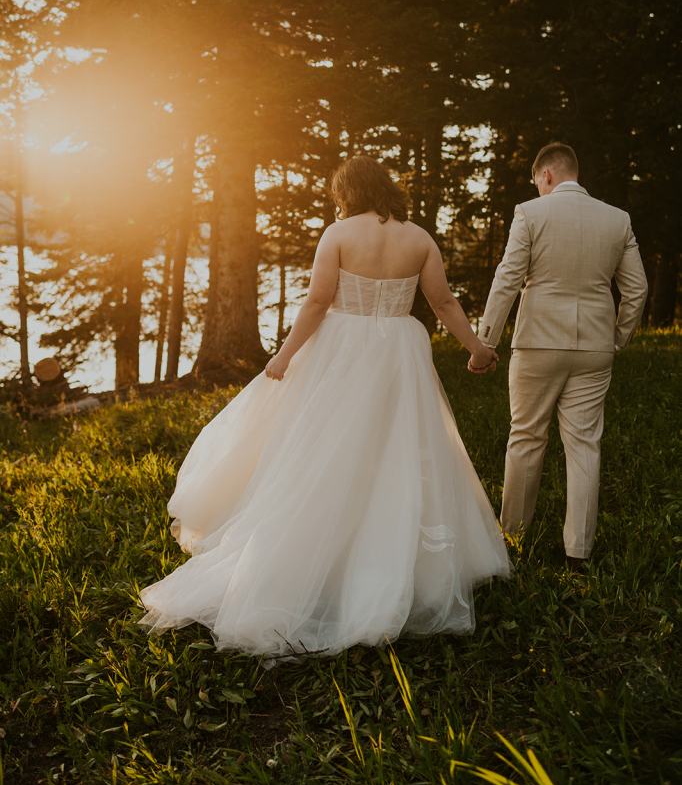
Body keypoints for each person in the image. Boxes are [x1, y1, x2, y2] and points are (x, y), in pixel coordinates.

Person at [137, 155, 511, 665]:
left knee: (323, 450)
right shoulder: (419, 237)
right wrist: (475, 348)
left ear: (347, 193)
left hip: (343, 348)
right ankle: (392, 564)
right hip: (399, 348)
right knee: (397, 449)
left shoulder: (338, 234)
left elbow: (316, 302)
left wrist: (284, 356)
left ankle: (322, 561)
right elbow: (443, 302)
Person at [473, 142, 649, 570]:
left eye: (537, 181)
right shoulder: (617, 219)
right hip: (594, 347)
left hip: (537, 343)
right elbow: (637, 289)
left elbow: (508, 279)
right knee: (585, 444)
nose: (537, 188)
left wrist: (486, 341)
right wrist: (616, 339)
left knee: (527, 438)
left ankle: (512, 540)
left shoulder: (531, 213)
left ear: (547, 175)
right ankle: (578, 553)